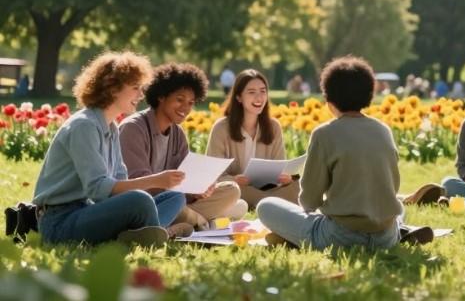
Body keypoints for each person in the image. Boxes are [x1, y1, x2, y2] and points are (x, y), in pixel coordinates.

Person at [32, 51, 189, 245]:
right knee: (140, 200)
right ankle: (158, 234)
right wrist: (155, 180)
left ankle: (146, 233)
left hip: (89, 210)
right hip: (60, 222)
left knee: (174, 197)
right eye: (135, 88)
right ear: (113, 89)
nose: (141, 95)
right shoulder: (84, 125)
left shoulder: (111, 127)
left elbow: (119, 180)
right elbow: (98, 189)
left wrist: (158, 185)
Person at [257, 56, 408, 249]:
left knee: (266, 206)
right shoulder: (383, 130)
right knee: (399, 207)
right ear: (369, 95)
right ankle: (403, 230)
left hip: (341, 237)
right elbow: (391, 188)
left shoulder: (324, 133)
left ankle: (293, 238)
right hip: (386, 236)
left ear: (329, 100)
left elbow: (309, 201)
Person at [120, 63, 246, 230]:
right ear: (161, 96)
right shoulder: (133, 128)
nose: (185, 108)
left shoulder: (178, 133)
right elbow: (137, 185)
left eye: (191, 103)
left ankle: (190, 221)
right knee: (176, 204)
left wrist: (198, 190)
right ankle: (203, 222)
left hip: (177, 200)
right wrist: (176, 189)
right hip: (148, 203)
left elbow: (186, 179)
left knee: (231, 190)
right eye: (180, 99)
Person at [207, 69, 301, 210]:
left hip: (267, 189)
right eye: (252, 92)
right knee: (233, 190)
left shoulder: (273, 126)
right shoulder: (221, 128)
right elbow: (212, 175)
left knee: (297, 185)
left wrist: (285, 178)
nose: (259, 98)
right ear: (239, 97)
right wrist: (235, 180)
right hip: (235, 189)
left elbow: (278, 167)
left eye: (263, 92)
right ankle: (270, 204)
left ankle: (263, 203)